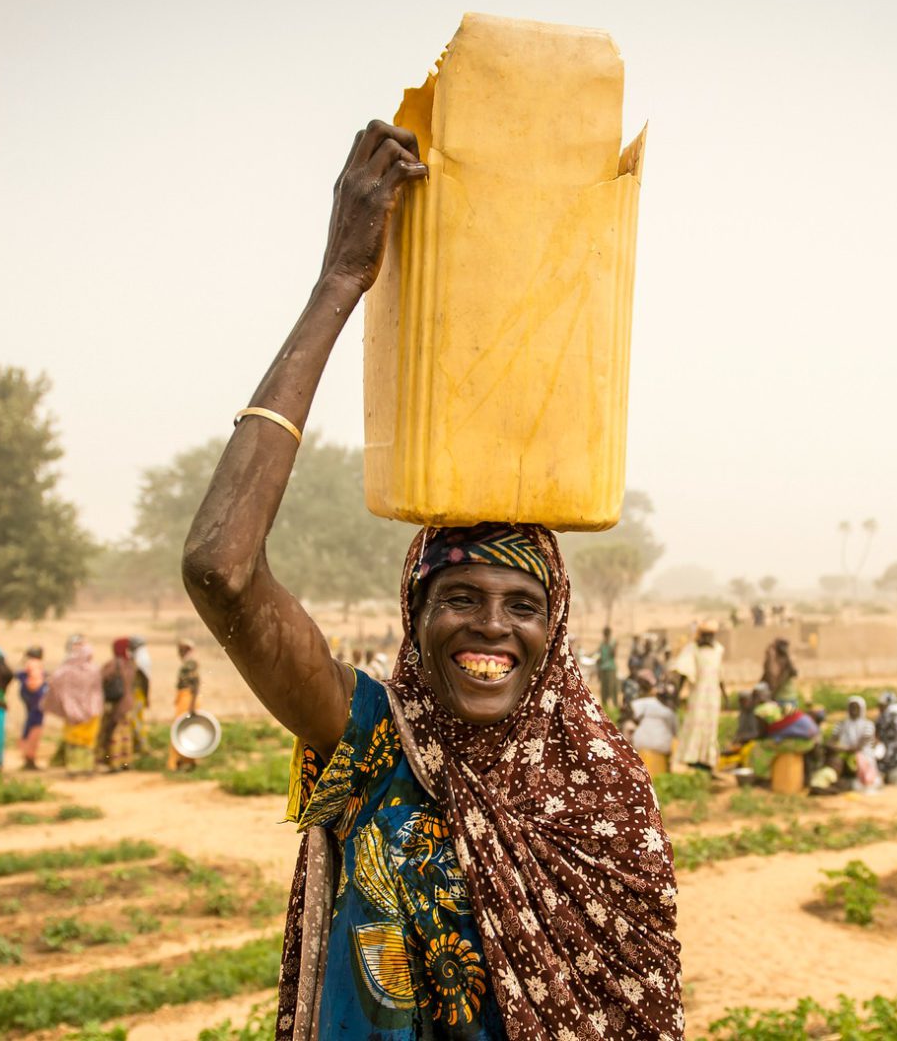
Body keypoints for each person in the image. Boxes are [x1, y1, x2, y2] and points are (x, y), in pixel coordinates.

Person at [178, 120, 680, 1041]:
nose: (492, 628)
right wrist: (339, 281)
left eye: (523, 605)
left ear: (555, 628)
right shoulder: (372, 743)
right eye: (459, 597)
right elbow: (221, 568)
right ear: (415, 617)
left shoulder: (603, 792)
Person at [43, 635, 104, 778]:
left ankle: (73, 769)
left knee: (73, 740)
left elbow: (53, 684)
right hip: (92, 710)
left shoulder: (64, 671)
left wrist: (63, 703)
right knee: (87, 741)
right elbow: (98, 691)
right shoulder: (93, 670)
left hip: (71, 712)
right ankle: (87, 768)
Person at [672, 621, 726, 773]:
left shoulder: (719, 650)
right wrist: (677, 694)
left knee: (711, 726)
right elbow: (684, 672)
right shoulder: (692, 649)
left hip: (713, 696)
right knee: (696, 724)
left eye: (711, 635)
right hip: (698, 695)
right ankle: (693, 759)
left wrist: (725, 695)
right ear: (701, 635)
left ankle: (707, 761)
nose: (709, 638)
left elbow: (720, 674)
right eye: (706, 634)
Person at [98, 637, 144, 772]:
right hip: (130, 702)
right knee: (126, 734)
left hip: (117, 703)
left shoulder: (113, 664)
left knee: (114, 733)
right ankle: (126, 762)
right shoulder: (131, 663)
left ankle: (115, 763)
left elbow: (101, 677)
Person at [629, 678, 680, 779]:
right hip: (661, 748)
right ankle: (669, 768)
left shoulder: (646, 703)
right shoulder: (672, 714)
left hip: (641, 744)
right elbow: (676, 734)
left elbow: (630, 711)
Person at [830, 696, 880, 791]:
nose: (853, 710)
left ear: (862, 709)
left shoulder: (868, 725)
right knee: (835, 760)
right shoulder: (841, 724)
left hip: (862, 755)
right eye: (851, 707)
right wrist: (838, 748)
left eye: (856, 707)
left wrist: (840, 748)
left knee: (857, 760)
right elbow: (831, 741)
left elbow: (859, 747)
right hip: (844, 753)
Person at [170, 638, 203, 771]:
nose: (179, 652)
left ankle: (182, 761)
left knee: (181, 729)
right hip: (185, 698)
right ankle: (184, 761)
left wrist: (192, 705)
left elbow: (195, 683)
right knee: (184, 729)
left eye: (182, 649)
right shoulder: (188, 662)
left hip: (188, 699)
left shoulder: (190, 663)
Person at [16, 646, 49, 771]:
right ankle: (30, 757)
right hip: (37, 702)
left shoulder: (26, 667)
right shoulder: (35, 665)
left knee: (29, 727)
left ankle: (28, 756)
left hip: (31, 702)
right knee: (35, 728)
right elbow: (35, 684)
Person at [760, 637, 798, 705]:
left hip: (785, 699)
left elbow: (773, 678)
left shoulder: (785, 662)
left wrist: (770, 657)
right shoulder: (776, 661)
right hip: (784, 698)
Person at [595, 626, 619, 713]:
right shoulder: (602, 644)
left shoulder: (613, 642)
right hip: (603, 669)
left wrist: (611, 645)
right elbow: (600, 656)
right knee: (604, 690)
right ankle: (605, 709)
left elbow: (614, 654)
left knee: (612, 689)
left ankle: (615, 708)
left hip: (611, 669)